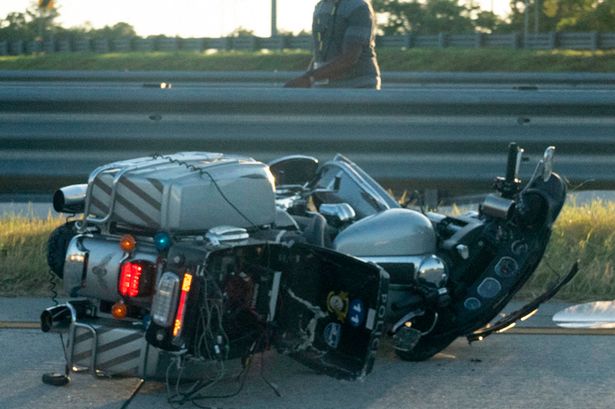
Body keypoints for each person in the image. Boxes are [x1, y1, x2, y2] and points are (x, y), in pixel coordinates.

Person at [284, 0, 381, 89]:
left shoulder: (358, 7)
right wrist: (307, 79)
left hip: (358, 86)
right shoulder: (320, 7)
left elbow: (350, 57)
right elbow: (320, 54)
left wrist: (309, 78)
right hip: (325, 85)